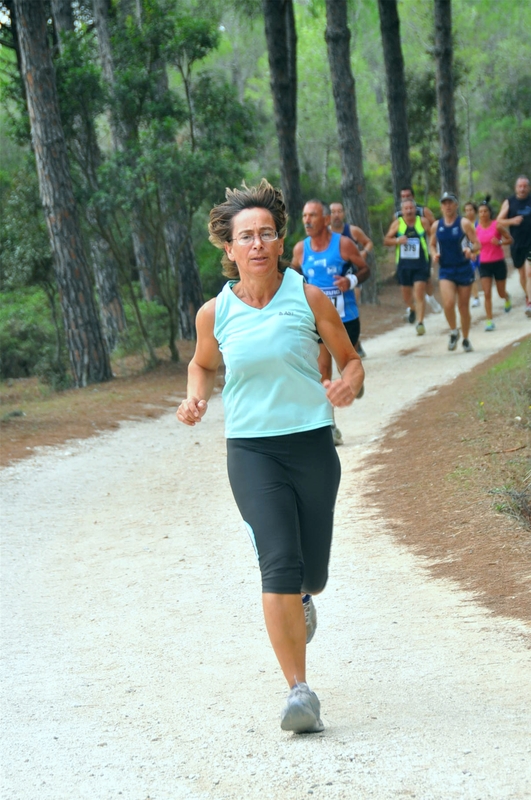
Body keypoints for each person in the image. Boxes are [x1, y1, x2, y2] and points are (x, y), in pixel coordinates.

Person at [176, 180, 364, 735]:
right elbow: (203, 364)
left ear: (281, 243)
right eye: (244, 237)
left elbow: (350, 359)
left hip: (310, 444)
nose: (256, 244)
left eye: (265, 234)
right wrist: (196, 396)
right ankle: (299, 692)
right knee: (277, 562)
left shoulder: (309, 298)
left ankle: (306, 595)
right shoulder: (215, 313)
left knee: (314, 571)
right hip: (252, 452)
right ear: (229, 250)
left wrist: (349, 383)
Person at [291, 199, 370, 446]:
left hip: (346, 318)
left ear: (325, 220)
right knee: (322, 370)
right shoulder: (300, 250)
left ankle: (354, 382)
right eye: (304, 216)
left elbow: (365, 269)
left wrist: (351, 281)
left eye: (312, 216)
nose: (307, 220)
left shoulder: (343, 244)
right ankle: (331, 425)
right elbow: (292, 276)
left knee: (347, 363)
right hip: (318, 321)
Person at [429, 192, 480, 352]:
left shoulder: (464, 223)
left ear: (456, 205)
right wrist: (434, 254)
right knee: (449, 303)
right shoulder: (436, 226)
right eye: (444, 203)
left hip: (463, 268)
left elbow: (477, 244)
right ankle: (453, 331)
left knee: (463, 307)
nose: (448, 206)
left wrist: (469, 250)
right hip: (446, 269)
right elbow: (431, 244)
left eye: (450, 202)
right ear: (441, 206)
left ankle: (465, 338)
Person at [329, 201, 372, 358]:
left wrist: (364, 253)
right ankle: (351, 343)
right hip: (332, 284)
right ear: (328, 215)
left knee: (350, 310)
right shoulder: (324, 235)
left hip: (353, 278)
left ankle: (355, 341)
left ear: (344, 214)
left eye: (339, 211)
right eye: (333, 212)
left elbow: (369, 242)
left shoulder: (352, 231)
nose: (337, 215)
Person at [383, 197, 431, 336]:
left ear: (415, 210)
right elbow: (386, 240)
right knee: (406, 295)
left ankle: (420, 323)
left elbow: (432, 236)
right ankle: (412, 309)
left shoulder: (422, 222)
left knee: (419, 294)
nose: (409, 211)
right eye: (406, 209)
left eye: (411, 208)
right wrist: (397, 240)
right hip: (404, 265)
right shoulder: (398, 224)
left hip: (421, 264)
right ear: (402, 211)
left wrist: (433, 251)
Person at [395, 186, 443, 317]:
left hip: (424, 251)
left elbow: (435, 227)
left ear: (413, 197)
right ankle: (413, 306)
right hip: (405, 255)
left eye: (408, 196)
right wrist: (397, 241)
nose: (406, 198)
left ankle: (430, 298)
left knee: (425, 279)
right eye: (403, 196)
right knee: (409, 283)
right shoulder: (398, 215)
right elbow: (394, 233)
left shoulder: (423, 211)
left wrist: (434, 245)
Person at [475, 196, 513, 330]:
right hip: (484, 264)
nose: (483, 214)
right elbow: (474, 245)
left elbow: (510, 239)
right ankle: (489, 321)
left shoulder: (497, 225)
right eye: (480, 212)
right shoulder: (476, 229)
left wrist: (500, 242)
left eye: (485, 211)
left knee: (500, 292)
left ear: (489, 212)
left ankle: (507, 297)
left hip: (498, 263)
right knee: (486, 293)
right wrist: (473, 252)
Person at [497, 175, 531, 317]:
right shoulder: (509, 202)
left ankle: (530, 303)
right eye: (520, 186)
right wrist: (512, 221)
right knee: (522, 274)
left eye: (525, 186)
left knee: (529, 273)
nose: (522, 189)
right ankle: (528, 295)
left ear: (528, 188)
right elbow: (498, 221)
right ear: (515, 188)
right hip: (516, 243)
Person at [463, 201, 481, 307]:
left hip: (482, 253)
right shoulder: (463, 225)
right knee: (472, 275)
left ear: (475, 211)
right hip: (470, 254)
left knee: (483, 276)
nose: (469, 212)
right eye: (466, 210)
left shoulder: (479, 223)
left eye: (471, 210)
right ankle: (476, 297)